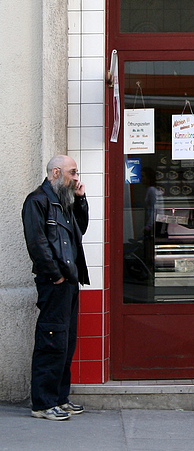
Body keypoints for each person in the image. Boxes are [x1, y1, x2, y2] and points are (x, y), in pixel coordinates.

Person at [21, 155, 90, 421]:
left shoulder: (63, 200)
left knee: (65, 341)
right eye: (72, 172)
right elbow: (37, 244)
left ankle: (60, 398)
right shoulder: (37, 201)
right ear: (56, 172)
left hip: (69, 281)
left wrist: (81, 199)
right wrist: (56, 276)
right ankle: (43, 403)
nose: (76, 177)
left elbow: (79, 230)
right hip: (55, 282)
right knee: (51, 341)